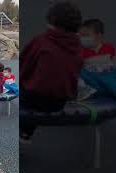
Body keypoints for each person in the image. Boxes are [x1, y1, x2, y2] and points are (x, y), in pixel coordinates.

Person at [20, 2, 83, 143]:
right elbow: (74, 73)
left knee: (29, 93)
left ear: (52, 21)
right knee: (43, 91)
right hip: (58, 102)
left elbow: (24, 66)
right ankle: (26, 133)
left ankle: (23, 130)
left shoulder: (41, 41)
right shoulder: (78, 46)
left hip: (33, 97)